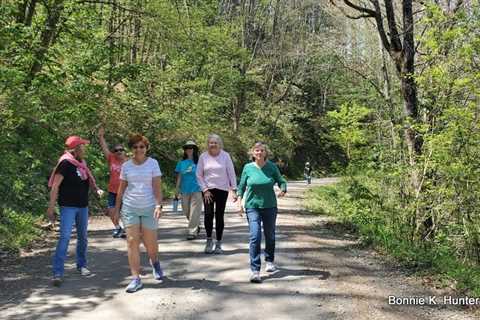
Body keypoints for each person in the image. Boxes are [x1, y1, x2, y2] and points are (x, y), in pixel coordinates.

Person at [47, 136, 104, 287]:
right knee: (65, 238)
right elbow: (55, 186)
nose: (85, 149)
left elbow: (89, 180)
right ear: (76, 148)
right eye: (83, 146)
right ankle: (57, 273)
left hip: (83, 206)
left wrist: (96, 190)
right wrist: (51, 208)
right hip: (68, 207)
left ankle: (82, 265)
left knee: (83, 237)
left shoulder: (81, 163)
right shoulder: (65, 163)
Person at [113, 134, 164, 293]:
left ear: (146, 148)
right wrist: (116, 209)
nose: (138, 149)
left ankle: (154, 262)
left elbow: (157, 187)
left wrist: (158, 205)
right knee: (132, 241)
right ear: (132, 149)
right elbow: (121, 189)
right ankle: (136, 278)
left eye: (141, 146)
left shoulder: (153, 163)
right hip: (130, 207)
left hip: (149, 207)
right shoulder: (126, 166)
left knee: (150, 244)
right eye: (135, 147)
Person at [237, 142, 287, 283]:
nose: (259, 153)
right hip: (252, 206)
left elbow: (281, 180)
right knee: (255, 236)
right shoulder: (247, 168)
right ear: (253, 153)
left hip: (270, 206)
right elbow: (241, 186)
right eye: (256, 150)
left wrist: (283, 189)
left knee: (270, 235)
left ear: (265, 153)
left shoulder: (271, 167)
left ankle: (269, 260)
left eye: (262, 150)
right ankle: (255, 271)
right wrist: (240, 202)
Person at [196, 134, 237, 254]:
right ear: (208, 144)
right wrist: (205, 190)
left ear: (219, 144)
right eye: (211, 142)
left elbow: (231, 172)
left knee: (219, 215)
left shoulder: (225, 156)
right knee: (208, 215)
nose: (213, 145)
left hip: (222, 189)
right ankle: (209, 240)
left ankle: (218, 242)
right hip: (208, 190)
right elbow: (198, 174)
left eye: (215, 142)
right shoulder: (203, 156)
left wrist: (234, 189)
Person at [98, 126, 128, 238]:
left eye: (121, 150)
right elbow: (104, 147)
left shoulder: (129, 162)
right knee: (111, 211)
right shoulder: (111, 158)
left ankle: (127, 229)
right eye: (116, 150)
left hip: (125, 191)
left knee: (125, 213)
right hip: (112, 190)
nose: (119, 152)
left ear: (124, 151)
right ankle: (118, 228)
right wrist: (101, 136)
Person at [175, 141, 203, 240]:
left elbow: (204, 175)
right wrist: (176, 190)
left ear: (194, 150)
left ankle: (192, 231)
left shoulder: (200, 162)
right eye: (187, 148)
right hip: (184, 190)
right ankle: (196, 225)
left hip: (197, 190)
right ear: (185, 150)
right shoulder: (181, 163)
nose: (189, 149)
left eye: (191, 148)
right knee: (186, 210)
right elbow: (179, 177)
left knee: (194, 212)